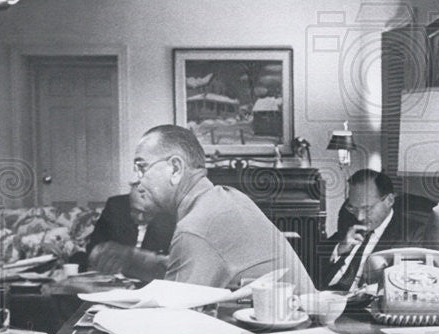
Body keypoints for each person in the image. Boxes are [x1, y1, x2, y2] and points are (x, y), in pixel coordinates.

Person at [130, 124, 313, 294]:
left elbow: (175, 319)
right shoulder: (224, 198)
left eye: (141, 167)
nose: (138, 180)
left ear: (176, 169)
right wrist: (143, 263)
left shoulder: (196, 227)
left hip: (293, 327)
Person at [318, 169, 413, 291]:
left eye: (367, 208)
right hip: (327, 299)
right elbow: (313, 265)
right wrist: (339, 250)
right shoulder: (349, 221)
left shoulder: (409, 235)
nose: (359, 217)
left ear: (389, 200)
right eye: (353, 208)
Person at [85, 184, 176, 280]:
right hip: (112, 280)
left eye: (147, 213)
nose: (140, 217)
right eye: (135, 211)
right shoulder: (115, 207)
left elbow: (168, 263)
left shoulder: (168, 216)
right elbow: (94, 246)